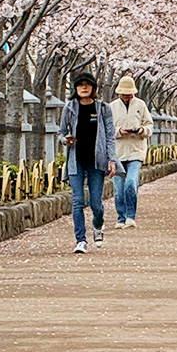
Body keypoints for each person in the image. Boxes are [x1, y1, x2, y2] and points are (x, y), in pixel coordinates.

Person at [59, 71, 116, 254]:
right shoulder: (69, 108)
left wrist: (111, 160)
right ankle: (80, 240)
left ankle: (98, 225)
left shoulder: (102, 109)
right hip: (76, 161)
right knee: (77, 201)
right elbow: (61, 132)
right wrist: (65, 140)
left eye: (87, 84)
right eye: (80, 85)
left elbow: (109, 137)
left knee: (95, 203)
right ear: (75, 88)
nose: (84, 87)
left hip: (96, 162)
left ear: (93, 88)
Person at [108, 75, 154, 229]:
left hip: (136, 151)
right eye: (124, 93)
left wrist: (142, 130)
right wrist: (119, 131)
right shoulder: (111, 107)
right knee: (118, 188)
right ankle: (120, 218)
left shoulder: (140, 105)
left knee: (130, 183)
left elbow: (149, 125)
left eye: (129, 93)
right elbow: (106, 130)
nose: (127, 96)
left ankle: (130, 216)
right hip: (117, 152)